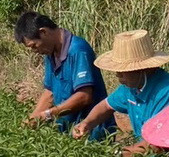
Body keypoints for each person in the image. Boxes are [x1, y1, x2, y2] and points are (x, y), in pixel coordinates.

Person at [72, 29, 169, 157]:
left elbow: (157, 145)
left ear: (141, 69)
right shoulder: (131, 87)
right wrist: (87, 123)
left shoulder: (167, 91)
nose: (118, 75)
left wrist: (116, 154)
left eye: (123, 71)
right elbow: (106, 106)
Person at [15, 11, 112, 139]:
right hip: (68, 128)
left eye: (34, 46)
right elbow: (49, 92)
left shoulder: (78, 50)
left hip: (90, 130)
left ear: (43, 32)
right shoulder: (50, 53)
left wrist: (48, 114)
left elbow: (84, 96)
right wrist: (33, 118)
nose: (35, 51)